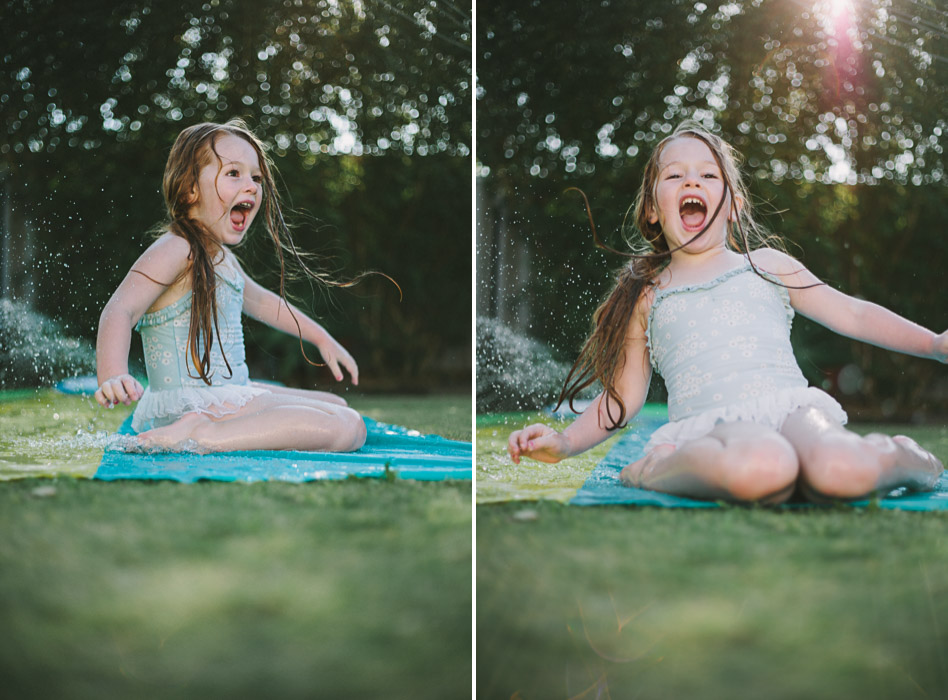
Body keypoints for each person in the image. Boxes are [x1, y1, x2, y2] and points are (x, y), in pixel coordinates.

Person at [508, 122, 946, 504]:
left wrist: (934, 343)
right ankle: (653, 468)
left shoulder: (768, 265)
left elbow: (853, 315)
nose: (691, 182)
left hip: (791, 410)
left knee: (840, 469)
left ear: (734, 203)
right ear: (652, 210)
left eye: (708, 174)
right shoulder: (648, 294)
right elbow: (623, 399)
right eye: (675, 175)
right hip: (709, 435)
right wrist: (565, 442)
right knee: (764, 467)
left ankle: (908, 458)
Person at [95, 119, 366, 453]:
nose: (251, 186)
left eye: (256, 177)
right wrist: (112, 375)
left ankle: (205, 430)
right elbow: (120, 308)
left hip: (227, 395)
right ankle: (200, 435)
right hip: (193, 406)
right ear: (190, 189)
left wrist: (321, 338)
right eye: (234, 173)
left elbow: (265, 303)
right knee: (347, 427)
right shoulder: (177, 248)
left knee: (336, 405)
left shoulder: (222, 258)